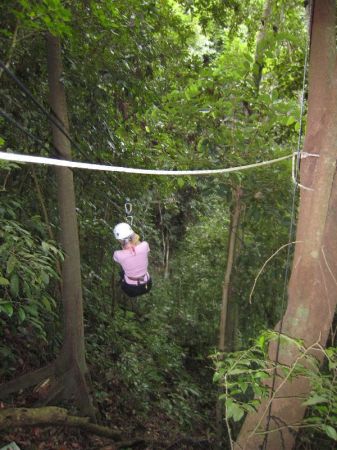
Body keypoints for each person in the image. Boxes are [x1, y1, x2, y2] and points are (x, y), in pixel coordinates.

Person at [113, 222, 152, 298]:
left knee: (122, 272)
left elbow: (117, 259)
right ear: (133, 235)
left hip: (131, 289)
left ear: (119, 240)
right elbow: (139, 244)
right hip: (147, 285)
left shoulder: (118, 254)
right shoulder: (144, 245)